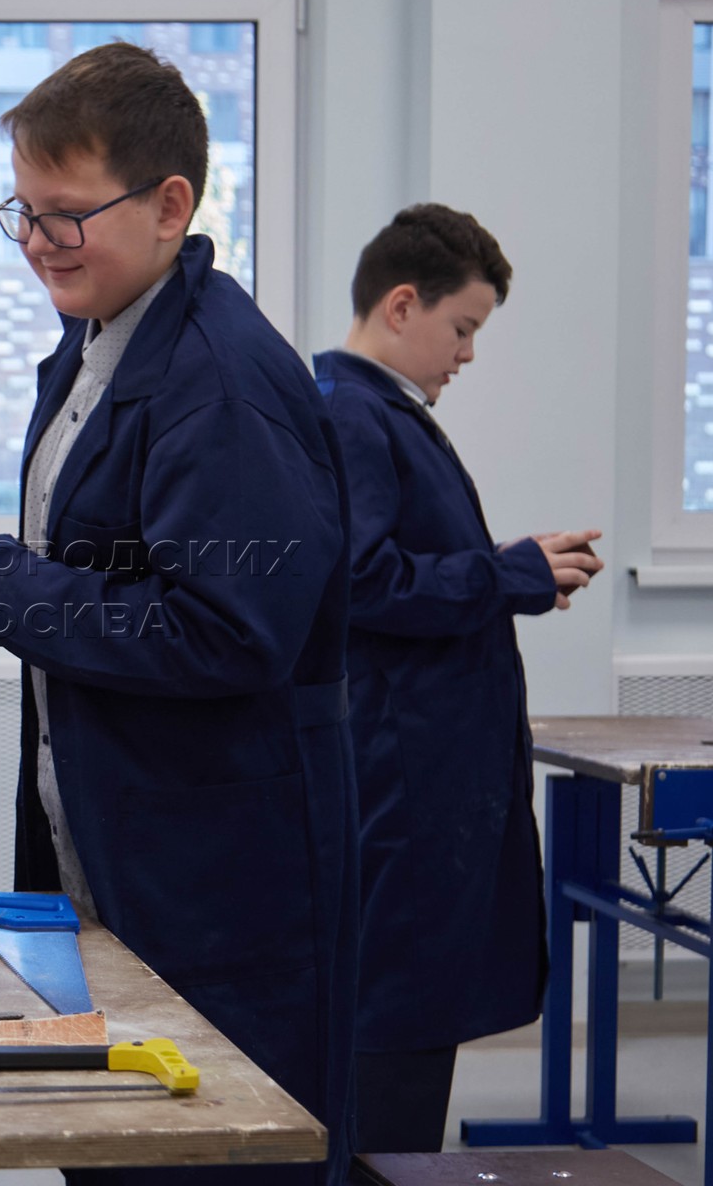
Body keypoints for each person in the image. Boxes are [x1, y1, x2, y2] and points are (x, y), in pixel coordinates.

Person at [0, 42, 357, 1186]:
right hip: (119, 858)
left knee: (199, 1160)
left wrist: (3, 585)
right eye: (23, 212)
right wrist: (9, 577)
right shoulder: (103, 339)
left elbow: (228, 630)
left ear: (169, 206)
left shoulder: (219, 381)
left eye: (68, 214)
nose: (38, 242)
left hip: (216, 889)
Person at [314, 204, 603, 1153]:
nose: (468, 354)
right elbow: (362, 582)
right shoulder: (353, 412)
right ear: (403, 305)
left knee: (410, 1017)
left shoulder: (378, 410)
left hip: (413, 773)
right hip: (399, 783)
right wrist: (508, 574)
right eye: (463, 328)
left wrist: (515, 567)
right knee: (394, 1032)